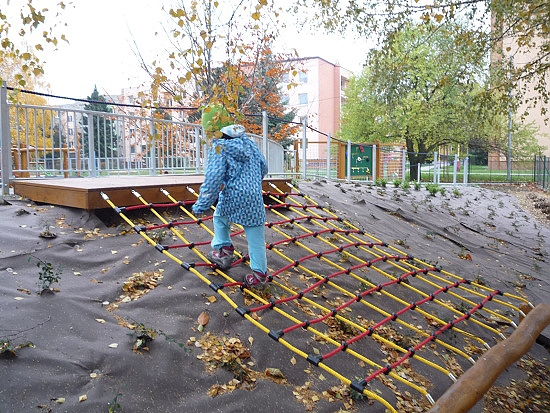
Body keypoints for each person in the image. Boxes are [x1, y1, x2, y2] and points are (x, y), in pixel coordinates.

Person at [192, 104, 269, 287]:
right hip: (255, 197)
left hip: (233, 195)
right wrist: (252, 182)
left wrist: (202, 205)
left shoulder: (220, 147)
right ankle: (259, 276)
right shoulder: (248, 143)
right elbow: (263, 165)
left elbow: (213, 178)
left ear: (212, 131)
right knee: (256, 236)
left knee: (220, 218)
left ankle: (224, 250)